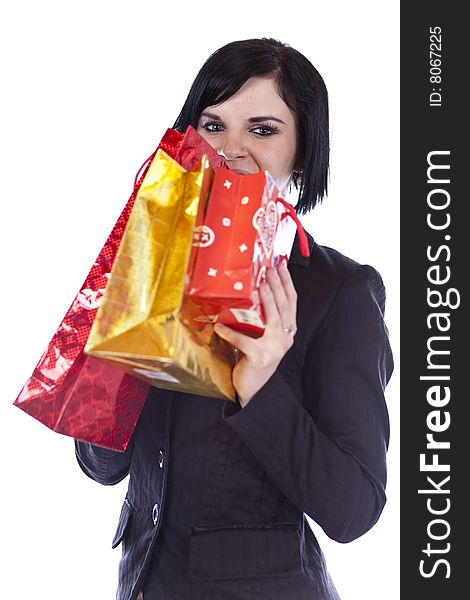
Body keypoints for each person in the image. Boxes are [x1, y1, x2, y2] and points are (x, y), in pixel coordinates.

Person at [75, 38, 394, 600]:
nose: (231, 149)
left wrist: (262, 386)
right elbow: (102, 467)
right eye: (213, 124)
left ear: (303, 150)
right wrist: (123, 337)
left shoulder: (338, 291)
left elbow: (354, 511)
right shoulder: (153, 265)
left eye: (263, 129)